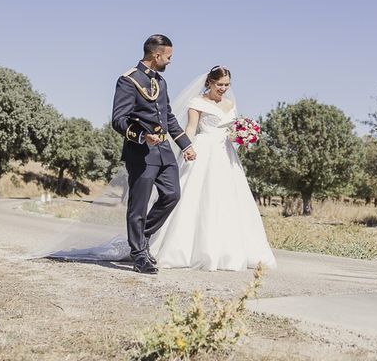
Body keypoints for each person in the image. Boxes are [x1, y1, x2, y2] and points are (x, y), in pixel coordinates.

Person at [149, 66, 277, 271]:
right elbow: (191, 128)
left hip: (225, 154)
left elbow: (230, 132)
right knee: (196, 196)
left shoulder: (230, 104)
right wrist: (186, 148)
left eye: (227, 85)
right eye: (219, 84)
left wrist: (241, 137)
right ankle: (181, 250)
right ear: (209, 82)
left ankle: (226, 250)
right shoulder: (197, 102)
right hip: (203, 149)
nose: (223, 88)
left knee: (227, 199)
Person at [111, 34, 197, 274]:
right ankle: (138, 253)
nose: (170, 61)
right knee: (138, 204)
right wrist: (140, 136)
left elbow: (167, 116)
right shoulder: (128, 81)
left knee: (172, 194)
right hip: (141, 151)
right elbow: (118, 119)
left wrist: (185, 144)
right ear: (156, 55)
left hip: (163, 150)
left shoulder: (161, 82)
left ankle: (142, 236)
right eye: (168, 57)